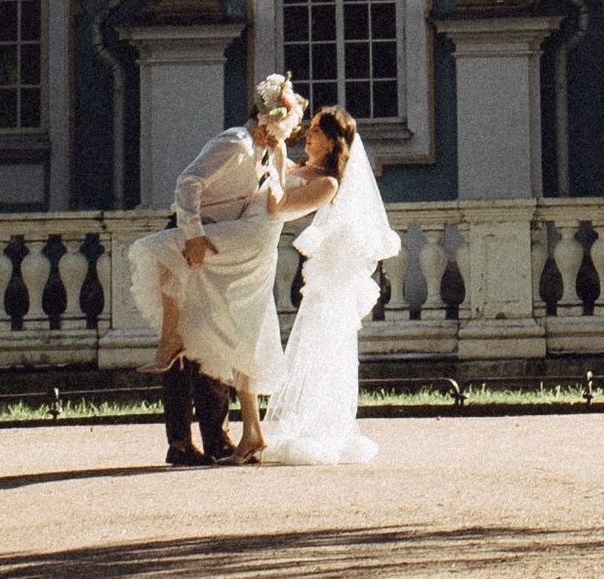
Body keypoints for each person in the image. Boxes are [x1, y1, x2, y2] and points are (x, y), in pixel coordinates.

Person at [132, 72, 332, 464]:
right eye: (288, 125)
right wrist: (191, 235)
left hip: (220, 242)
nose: (291, 133)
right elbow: (188, 182)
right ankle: (178, 443)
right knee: (183, 345)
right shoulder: (235, 143)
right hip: (194, 239)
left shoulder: (266, 151)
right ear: (269, 120)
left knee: (215, 333)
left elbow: (290, 176)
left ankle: (216, 436)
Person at [263, 102, 402, 468]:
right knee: (314, 353)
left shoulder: (329, 184)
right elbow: (292, 170)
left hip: (332, 290)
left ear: (329, 141)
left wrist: (277, 154)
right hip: (325, 286)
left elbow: (279, 202)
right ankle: (318, 423)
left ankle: (324, 430)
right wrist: (276, 142)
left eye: (313, 132)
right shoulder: (318, 174)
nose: (306, 137)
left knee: (325, 354)